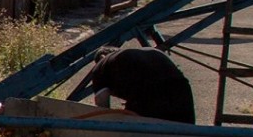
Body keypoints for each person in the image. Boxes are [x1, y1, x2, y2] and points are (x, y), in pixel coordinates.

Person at [68, 46, 196, 123]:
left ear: (101, 57)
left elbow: (102, 102)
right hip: (181, 89)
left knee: (142, 135)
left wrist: (108, 123)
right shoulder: (144, 53)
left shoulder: (102, 64)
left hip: (147, 94)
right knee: (186, 133)